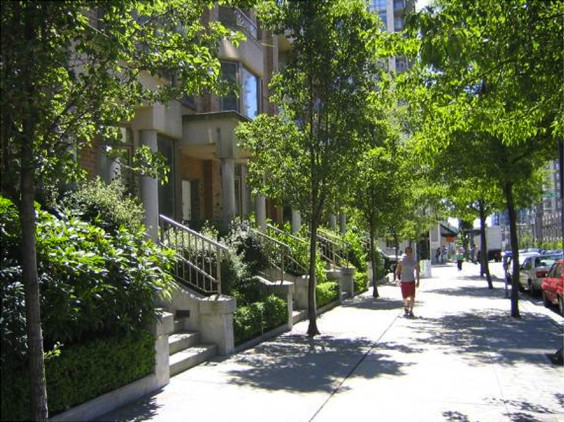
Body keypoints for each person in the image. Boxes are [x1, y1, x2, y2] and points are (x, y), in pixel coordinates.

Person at [395, 246, 420, 318]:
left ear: (411, 253)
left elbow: (417, 272)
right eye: (407, 252)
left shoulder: (414, 262)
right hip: (404, 281)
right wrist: (396, 279)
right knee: (405, 297)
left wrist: (418, 281)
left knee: (412, 297)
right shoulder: (401, 261)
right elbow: (397, 271)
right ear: (405, 253)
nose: (408, 253)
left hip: (411, 281)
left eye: (410, 252)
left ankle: (411, 311)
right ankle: (406, 306)